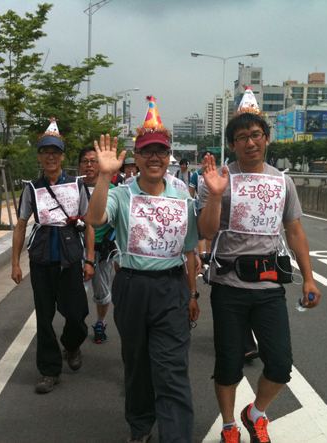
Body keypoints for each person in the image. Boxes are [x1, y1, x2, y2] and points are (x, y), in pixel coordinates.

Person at [198, 87, 321, 443]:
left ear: (266, 139)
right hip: (228, 287)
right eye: (241, 137)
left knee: (281, 364)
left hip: (269, 288)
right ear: (232, 144)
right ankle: (228, 425)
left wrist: (309, 279)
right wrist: (216, 194)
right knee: (228, 363)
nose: (250, 142)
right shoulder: (219, 180)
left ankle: (255, 414)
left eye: (256, 135)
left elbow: (294, 231)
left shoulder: (283, 181)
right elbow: (205, 231)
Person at [85, 96, 199, 443]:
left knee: (172, 370)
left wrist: (192, 293)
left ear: (169, 158)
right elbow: (93, 218)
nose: (154, 158)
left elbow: (191, 250)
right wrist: (104, 176)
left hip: (171, 289)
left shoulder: (183, 199)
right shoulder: (121, 194)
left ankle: (175, 437)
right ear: (136, 157)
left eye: (161, 152)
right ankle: (140, 426)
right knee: (136, 365)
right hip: (132, 287)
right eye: (147, 151)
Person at [11, 118, 94, 394]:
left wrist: (90, 259)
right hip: (42, 257)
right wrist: (15, 263)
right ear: (39, 156)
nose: (50, 156)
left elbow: (90, 222)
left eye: (55, 151)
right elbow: (21, 224)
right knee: (44, 316)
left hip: (71, 256)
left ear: (62, 156)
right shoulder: (31, 189)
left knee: (78, 313)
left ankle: (72, 344)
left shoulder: (76, 186)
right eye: (45, 151)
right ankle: (49, 370)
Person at [79, 146, 116, 344]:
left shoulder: (112, 190)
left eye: (94, 161)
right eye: (85, 161)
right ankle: (75, 331)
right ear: (79, 165)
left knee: (101, 291)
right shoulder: (73, 187)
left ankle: (100, 322)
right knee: (76, 292)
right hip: (77, 250)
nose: (90, 164)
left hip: (103, 251)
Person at [190, 151, 212, 263]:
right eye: (205, 159)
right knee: (200, 234)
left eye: (210, 158)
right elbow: (191, 192)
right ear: (202, 161)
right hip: (199, 208)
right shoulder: (196, 175)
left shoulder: (216, 174)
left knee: (211, 234)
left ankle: (209, 255)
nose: (207, 161)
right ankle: (201, 256)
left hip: (212, 208)